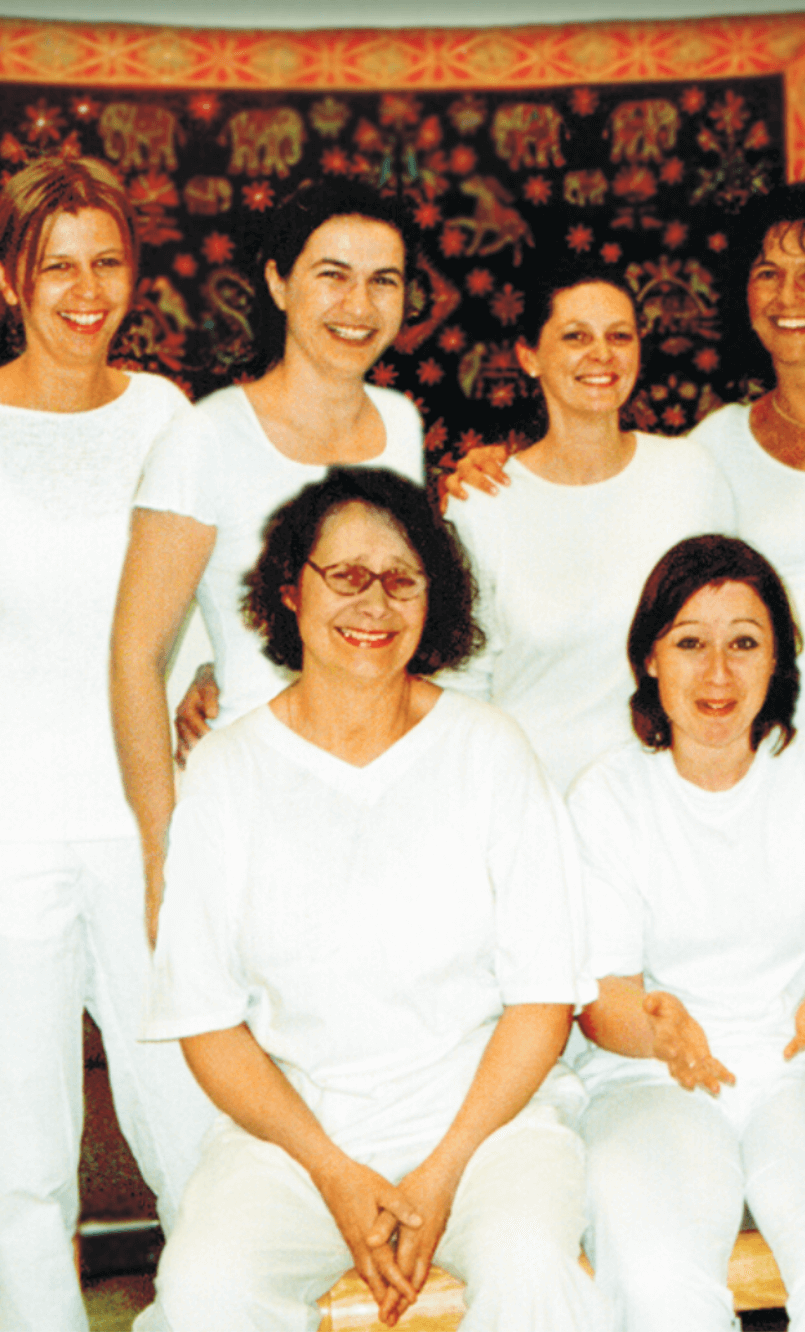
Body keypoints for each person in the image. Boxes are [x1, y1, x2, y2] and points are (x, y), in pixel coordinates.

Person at [137, 468, 607, 1332]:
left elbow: (542, 1001)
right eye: (346, 576)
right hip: (295, 1140)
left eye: (401, 580)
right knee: (205, 1287)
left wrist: (443, 1169)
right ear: (291, 590)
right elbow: (206, 1021)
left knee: (531, 1266)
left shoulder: (489, 751)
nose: (374, 604)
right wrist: (333, 1172)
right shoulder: (229, 771)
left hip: (486, 1130)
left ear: (435, 599)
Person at [0, 157, 214, 1331]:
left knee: (201, 1136)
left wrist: (200, 695)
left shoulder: (166, 418)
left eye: (106, 262)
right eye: (56, 265)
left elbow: (206, 611)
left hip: (146, 831)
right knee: (18, 1169)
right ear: (8, 278)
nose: (86, 290)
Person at [445, 184, 805, 799]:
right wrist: (494, 472)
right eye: (767, 274)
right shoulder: (713, 449)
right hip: (777, 758)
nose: (789, 296)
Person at [570, 535, 805, 1332]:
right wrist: (659, 1032)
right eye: (690, 643)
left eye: (744, 643)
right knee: (657, 1281)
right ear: (649, 658)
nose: (718, 674)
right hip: (648, 1082)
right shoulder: (607, 798)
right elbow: (602, 1004)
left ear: (778, 660)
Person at [111, 179, 424, 942]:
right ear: (279, 283)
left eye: (383, 280)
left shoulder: (402, 426)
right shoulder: (205, 440)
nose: (358, 305)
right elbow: (134, 657)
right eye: (332, 275)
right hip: (253, 808)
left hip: (388, 799)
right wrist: (162, 856)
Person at [440, 262, 734, 792]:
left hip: (666, 793)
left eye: (619, 336)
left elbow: (735, 637)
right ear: (530, 357)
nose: (602, 354)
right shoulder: (482, 502)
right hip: (532, 793)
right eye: (576, 336)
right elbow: (461, 682)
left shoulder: (690, 475)